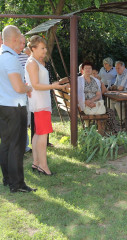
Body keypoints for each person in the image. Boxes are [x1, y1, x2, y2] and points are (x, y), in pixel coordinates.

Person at [25, 35, 66, 176]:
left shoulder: (35, 61)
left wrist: (55, 85)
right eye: (42, 48)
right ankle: (43, 166)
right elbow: (35, 85)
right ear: (33, 48)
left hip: (41, 102)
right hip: (40, 103)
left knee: (38, 134)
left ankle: (36, 163)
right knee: (42, 135)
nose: (45, 51)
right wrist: (53, 86)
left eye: (45, 48)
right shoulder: (32, 63)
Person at [0, 25, 34, 192]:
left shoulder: (1, 56)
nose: (22, 41)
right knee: (16, 147)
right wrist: (27, 88)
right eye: (20, 37)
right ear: (13, 39)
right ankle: (17, 184)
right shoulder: (11, 58)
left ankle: (7, 179)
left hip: (3, 106)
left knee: (6, 144)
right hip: (15, 107)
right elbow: (19, 88)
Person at [78, 62, 120, 133]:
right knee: (109, 112)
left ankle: (111, 131)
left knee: (110, 111)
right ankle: (113, 131)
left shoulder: (95, 80)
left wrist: (92, 100)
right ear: (82, 70)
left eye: (90, 68)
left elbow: (98, 94)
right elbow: (78, 95)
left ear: (92, 70)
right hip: (84, 105)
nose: (88, 70)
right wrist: (86, 102)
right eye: (86, 68)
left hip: (94, 103)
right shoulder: (79, 80)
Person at [18, 34, 32, 154]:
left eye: (24, 43)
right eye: (21, 43)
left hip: (24, 93)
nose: (22, 45)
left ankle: (25, 146)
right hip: (9, 95)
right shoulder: (4, 56)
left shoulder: (25, 57)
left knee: (23, 120)